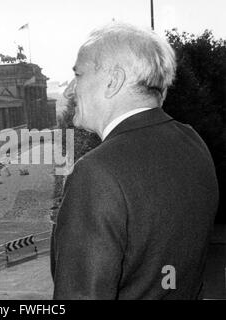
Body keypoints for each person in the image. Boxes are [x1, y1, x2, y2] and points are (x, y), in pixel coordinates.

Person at [51, 22, 219, 300]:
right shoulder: (193, 143)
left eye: (78, 74)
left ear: (113, 81)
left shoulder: (97, 172)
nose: (69, 90)